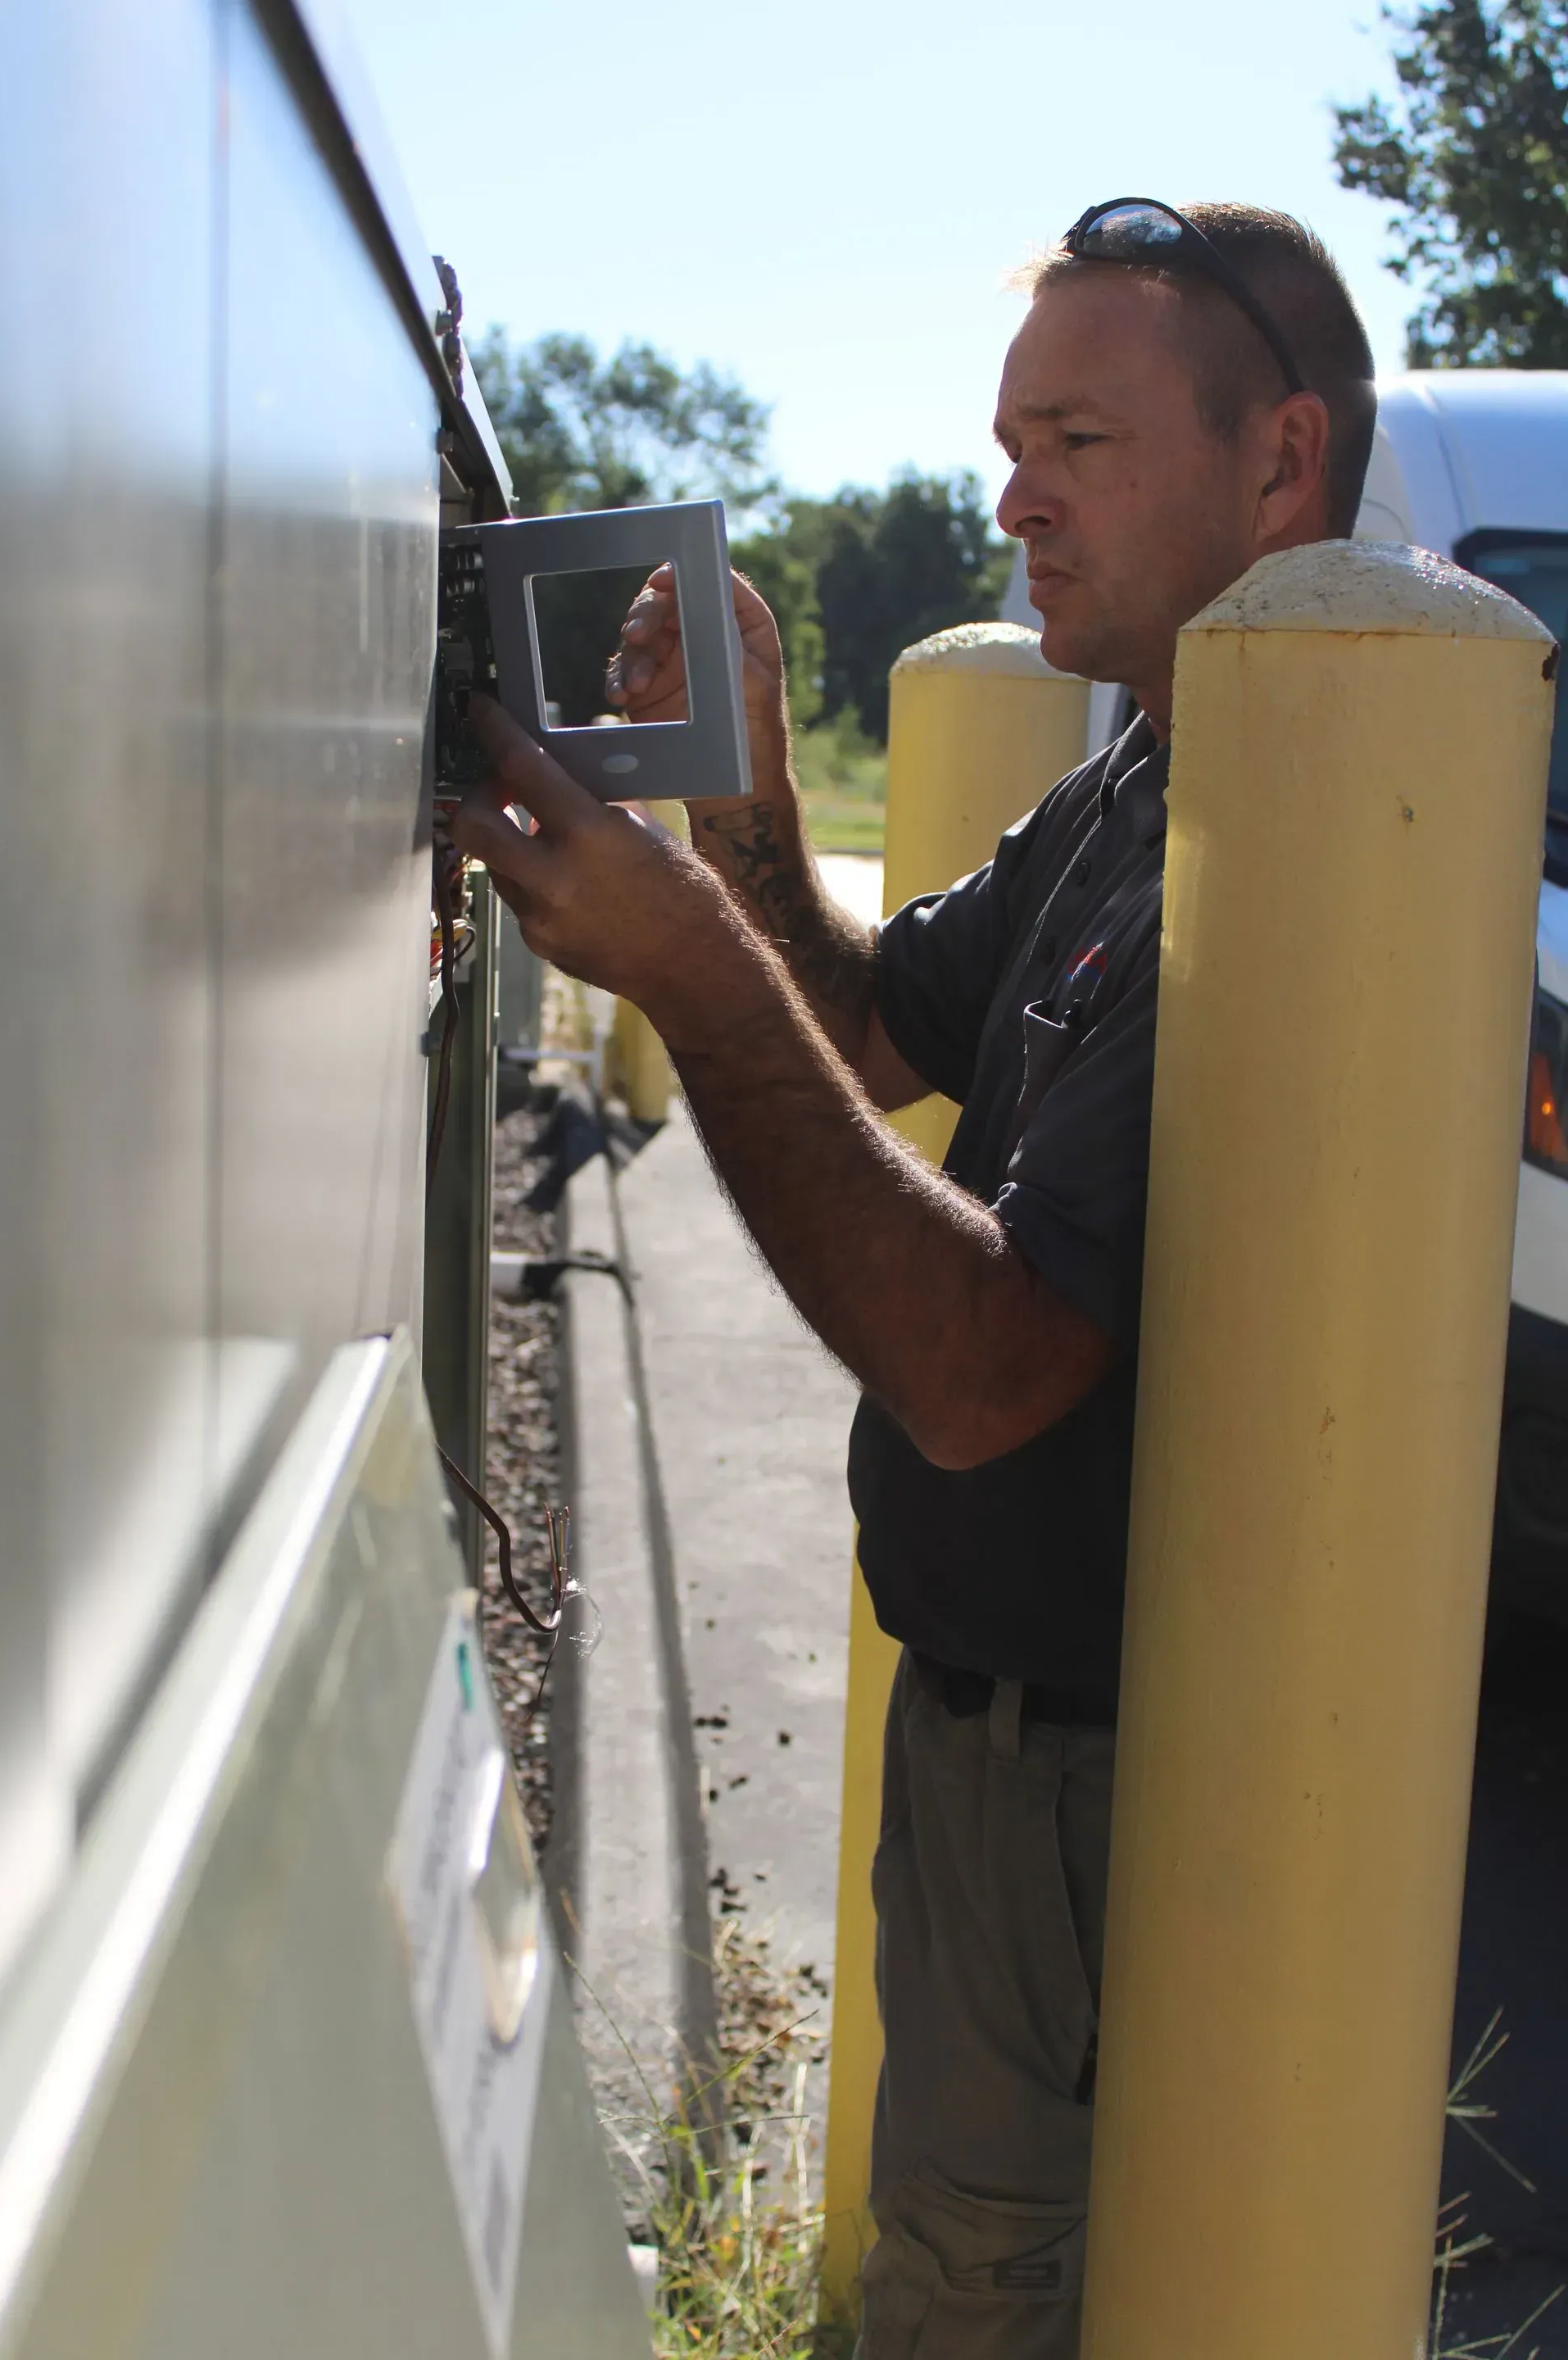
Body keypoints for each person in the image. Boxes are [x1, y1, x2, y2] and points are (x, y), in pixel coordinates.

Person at [452, 199, 1378, 2359]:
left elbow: (987, 1374)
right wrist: (746, 814)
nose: (1016, 501)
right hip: (997, 1747)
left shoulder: (1287, 834)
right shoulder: (1151, 765)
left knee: (978, 2300)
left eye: (1080, 442)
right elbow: (872, 1028)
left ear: (1281, 464)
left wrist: (689, 970)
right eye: (1010, 444)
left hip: (1098, 1784)